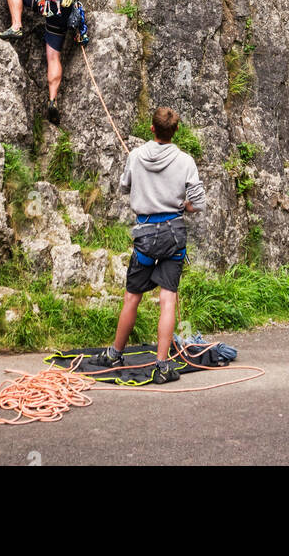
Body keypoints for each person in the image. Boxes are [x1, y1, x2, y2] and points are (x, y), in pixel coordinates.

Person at [99, 106, 206, 383]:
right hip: (174, 235)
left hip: (145, 236)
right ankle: (162, 366)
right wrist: (184, 205)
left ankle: (114, 353)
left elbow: (124, 187)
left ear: (151, 129)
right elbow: (199, 204)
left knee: (132, 297)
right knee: (167, 299)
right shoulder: (185, 161)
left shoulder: (136, 156)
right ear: (176, 131)